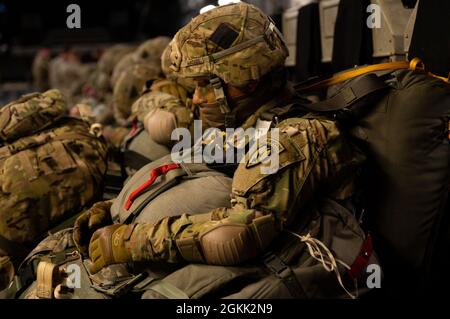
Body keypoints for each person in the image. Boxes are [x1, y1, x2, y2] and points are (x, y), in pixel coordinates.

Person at [74, 2, 364, 276]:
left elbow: (241, 232)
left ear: (245, 80)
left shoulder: (294, 138)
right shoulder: (246, 125)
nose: (197, 98)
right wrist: (115, 211)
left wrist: (130, 241)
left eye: (205, 85)